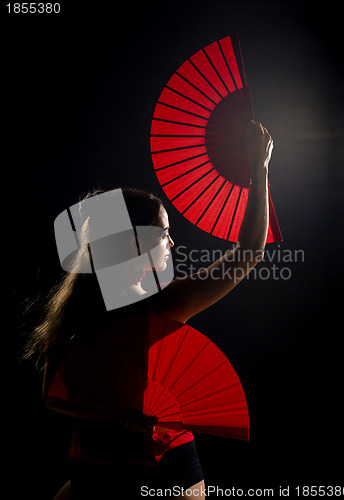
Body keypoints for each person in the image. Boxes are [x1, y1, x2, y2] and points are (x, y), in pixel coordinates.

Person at [23, 121, 273, 499]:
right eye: (164, 231)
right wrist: (260, 169)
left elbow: (53, 397)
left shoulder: (74, 312)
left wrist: (110, 414)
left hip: (92, 470)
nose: (172, 242)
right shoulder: (162, 304)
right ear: (135, 242)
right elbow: (250, 251)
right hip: (155, 471)